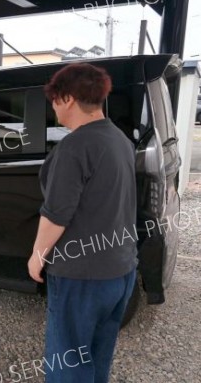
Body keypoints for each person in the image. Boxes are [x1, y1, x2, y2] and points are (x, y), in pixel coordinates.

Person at [27, 63, 137, 383]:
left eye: (54, 99)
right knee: (98, 354)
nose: (54, 107)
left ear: (68, 99)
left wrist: (37, 256)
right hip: (121, 270)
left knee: (69, 362)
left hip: (81, 275)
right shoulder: (119, 139)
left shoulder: (74, 147)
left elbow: (56, 214)